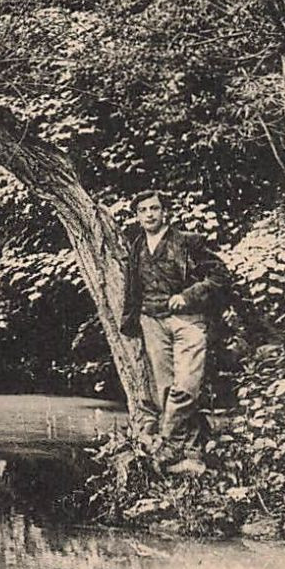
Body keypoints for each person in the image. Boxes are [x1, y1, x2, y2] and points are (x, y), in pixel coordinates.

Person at [118, 190, 226, 475]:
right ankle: (188, 453)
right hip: (152, 321)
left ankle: (165, 442)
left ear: (165, 212)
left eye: (154, 208)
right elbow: (132, 289)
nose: (149, 214)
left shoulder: (189, 242)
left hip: (188, 320)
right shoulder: (137, 247)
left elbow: (219, 275)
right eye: (143, 210)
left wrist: (189, 296)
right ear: (138, 216)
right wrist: (131, 321)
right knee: (164, 390)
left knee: (187, 386)